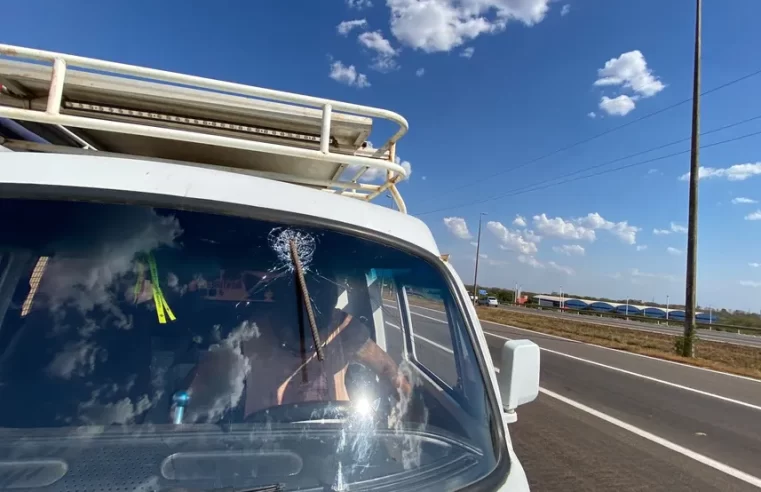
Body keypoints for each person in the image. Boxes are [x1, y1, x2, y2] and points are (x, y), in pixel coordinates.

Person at [180, 270, 412, 422]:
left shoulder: (345, 329)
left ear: (331, 306)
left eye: (316, 322)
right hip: (260, 446)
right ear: (279, 302)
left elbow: (390, 371)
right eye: (297, 317)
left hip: (337, 444)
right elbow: (198, 386)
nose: (306, 332)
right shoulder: (247, 331)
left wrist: (407, 416)